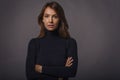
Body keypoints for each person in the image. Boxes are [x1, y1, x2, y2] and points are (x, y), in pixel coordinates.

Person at [26, 1, 78, 80]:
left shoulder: (70, 43)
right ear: (42, 19)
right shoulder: (34, 43)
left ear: (60, 19)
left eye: (55, 16)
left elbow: (71, 72)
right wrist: (60, 75)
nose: (50, 20)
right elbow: (30, 75)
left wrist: (41, 69)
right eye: (47, 16)